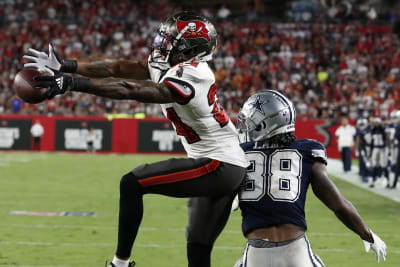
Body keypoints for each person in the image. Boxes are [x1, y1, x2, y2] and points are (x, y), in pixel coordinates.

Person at [24, 11, 248, 267]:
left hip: (220, 164)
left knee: (132, 183)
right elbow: (116, 67)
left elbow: (132, 89)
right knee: (198, 251)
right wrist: (66, 65)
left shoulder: (196, 73)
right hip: (219, 164)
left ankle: (120, 264)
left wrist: (73, 83)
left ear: (189, 49)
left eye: (169, 40)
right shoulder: (172, 66)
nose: (160, 44)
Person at [232, 90, 386, 267]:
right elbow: (339, 205)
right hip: (296, 253)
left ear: (264, 123)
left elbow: (220, 198)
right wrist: (368, 235)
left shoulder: (240, 153)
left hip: (255, 254)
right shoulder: (307, 151)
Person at [369, 117, 389, 188]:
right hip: (375, 148)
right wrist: (371, 150)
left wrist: (387, 148)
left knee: (383, 165)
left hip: (382, 148)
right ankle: (373, 180)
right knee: (374, 165)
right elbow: (371, 141)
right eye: (375, 123)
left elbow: (387, 139)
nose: (376, 124)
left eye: (377, 122)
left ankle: (387, 180)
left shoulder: (383, 129)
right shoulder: (373, 130)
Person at [354, 117, 371, 182]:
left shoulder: (370, 128)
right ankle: (364, 174)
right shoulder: (359, 129)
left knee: (368, 161)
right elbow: (357, 139)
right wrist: (356, 149)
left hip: (368, 147)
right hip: (362, 147)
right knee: (363, 161)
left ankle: (368, 174)